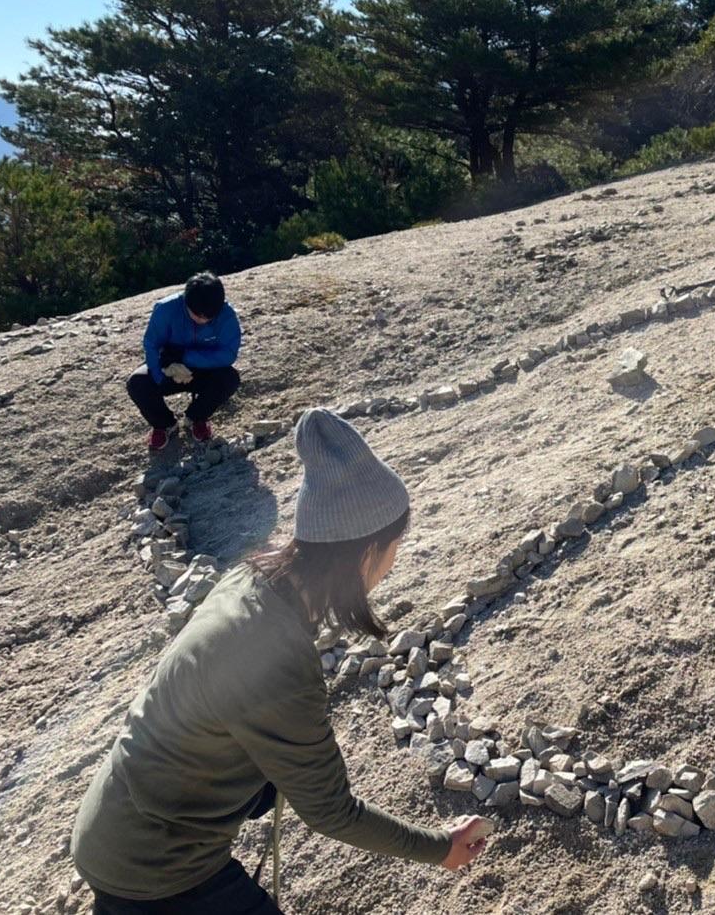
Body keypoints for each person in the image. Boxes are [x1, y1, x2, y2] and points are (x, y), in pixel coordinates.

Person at [72, 408, 491, 913]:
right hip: (159, 866)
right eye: (394, 546)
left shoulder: (249, 580)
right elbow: (332, 813)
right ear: (365, 554)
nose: (395, 560)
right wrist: (439, 848)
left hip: (117, 820)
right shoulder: (280, 661)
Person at [127, 271, 242, 450]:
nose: (203, 320)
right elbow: (151, 345)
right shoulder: (166, 309)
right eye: (197, 315)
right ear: (185, 302)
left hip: (205, 370)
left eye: (209, 317)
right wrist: (161, 376)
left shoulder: (227, 315)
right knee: (137, 382)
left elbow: (229, 354)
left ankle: (196, 418)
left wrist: (186, 356)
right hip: (168, 368)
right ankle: (164, 424)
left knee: (230, 378)